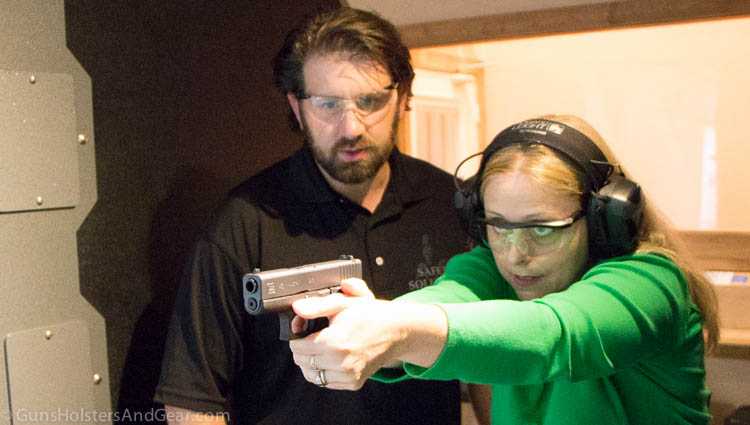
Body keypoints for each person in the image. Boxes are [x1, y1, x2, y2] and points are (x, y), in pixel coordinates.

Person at [289, 115, 720, 425]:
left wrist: (397, 330)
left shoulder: (652, 283)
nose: (515, 254)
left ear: (603, 218)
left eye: (542, 228)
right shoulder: (497, 269)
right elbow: (449, 297)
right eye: (498, 225)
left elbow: (555, 335)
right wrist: (378, 321)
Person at [153, 6, 468, 425]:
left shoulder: (450, 201)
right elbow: (192, 401)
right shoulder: (243, 222)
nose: (351, 127)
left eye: (370, 101)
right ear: (297, 107)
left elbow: (485, 361)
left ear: (404, 97)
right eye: (328, 104)